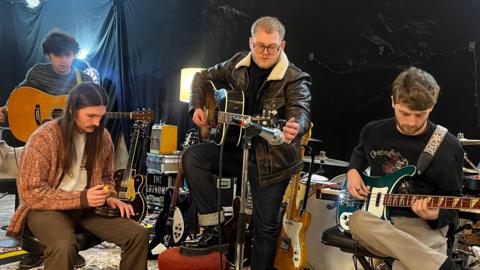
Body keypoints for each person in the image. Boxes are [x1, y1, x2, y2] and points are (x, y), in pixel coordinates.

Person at [183, 16, 311, 269]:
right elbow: (200, 76)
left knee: (265, 227)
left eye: (272, 47)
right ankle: (214, 229)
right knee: (193, 156)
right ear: (250, 42)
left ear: (282, 46)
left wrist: (296, 126)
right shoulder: (236, 63)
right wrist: (196, 106)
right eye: (259, 45)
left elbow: (300, 108)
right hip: (236, 149)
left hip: (272, 160)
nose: (265, 52)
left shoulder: (296, 78)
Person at [6, 82, 149, 270]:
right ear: (73, 110)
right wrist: (82, 198)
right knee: (63, 244)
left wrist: (110, 196)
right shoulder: (43, 138)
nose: (97, 122)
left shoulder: (103, 136)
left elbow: (107, 177)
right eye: (91, 116)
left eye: (101, 116)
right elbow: (30, 193)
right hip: (46, 209)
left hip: (87, 207)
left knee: (138, 234)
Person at [346, 67, 463, 270]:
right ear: (393, 102)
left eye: (420, 115)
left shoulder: (448, 146)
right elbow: (359, 155)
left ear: (432, 107)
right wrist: (352, 171)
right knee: (357, 221)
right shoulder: (373, 132)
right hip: (376, 222)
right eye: (405, 113)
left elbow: (454, 200)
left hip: (421, 225)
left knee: (405, 265)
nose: (411, 122)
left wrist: (435, 214)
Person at [0, 29, 92, 123]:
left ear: (74, 55)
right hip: (39, 131)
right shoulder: (38, 72)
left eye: (67, 55)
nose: (63, 60)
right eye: (58, 55)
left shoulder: (85, 80)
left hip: (70, 134)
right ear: (49, 56)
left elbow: (92, 109)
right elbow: (18, 93)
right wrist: (6, 108)